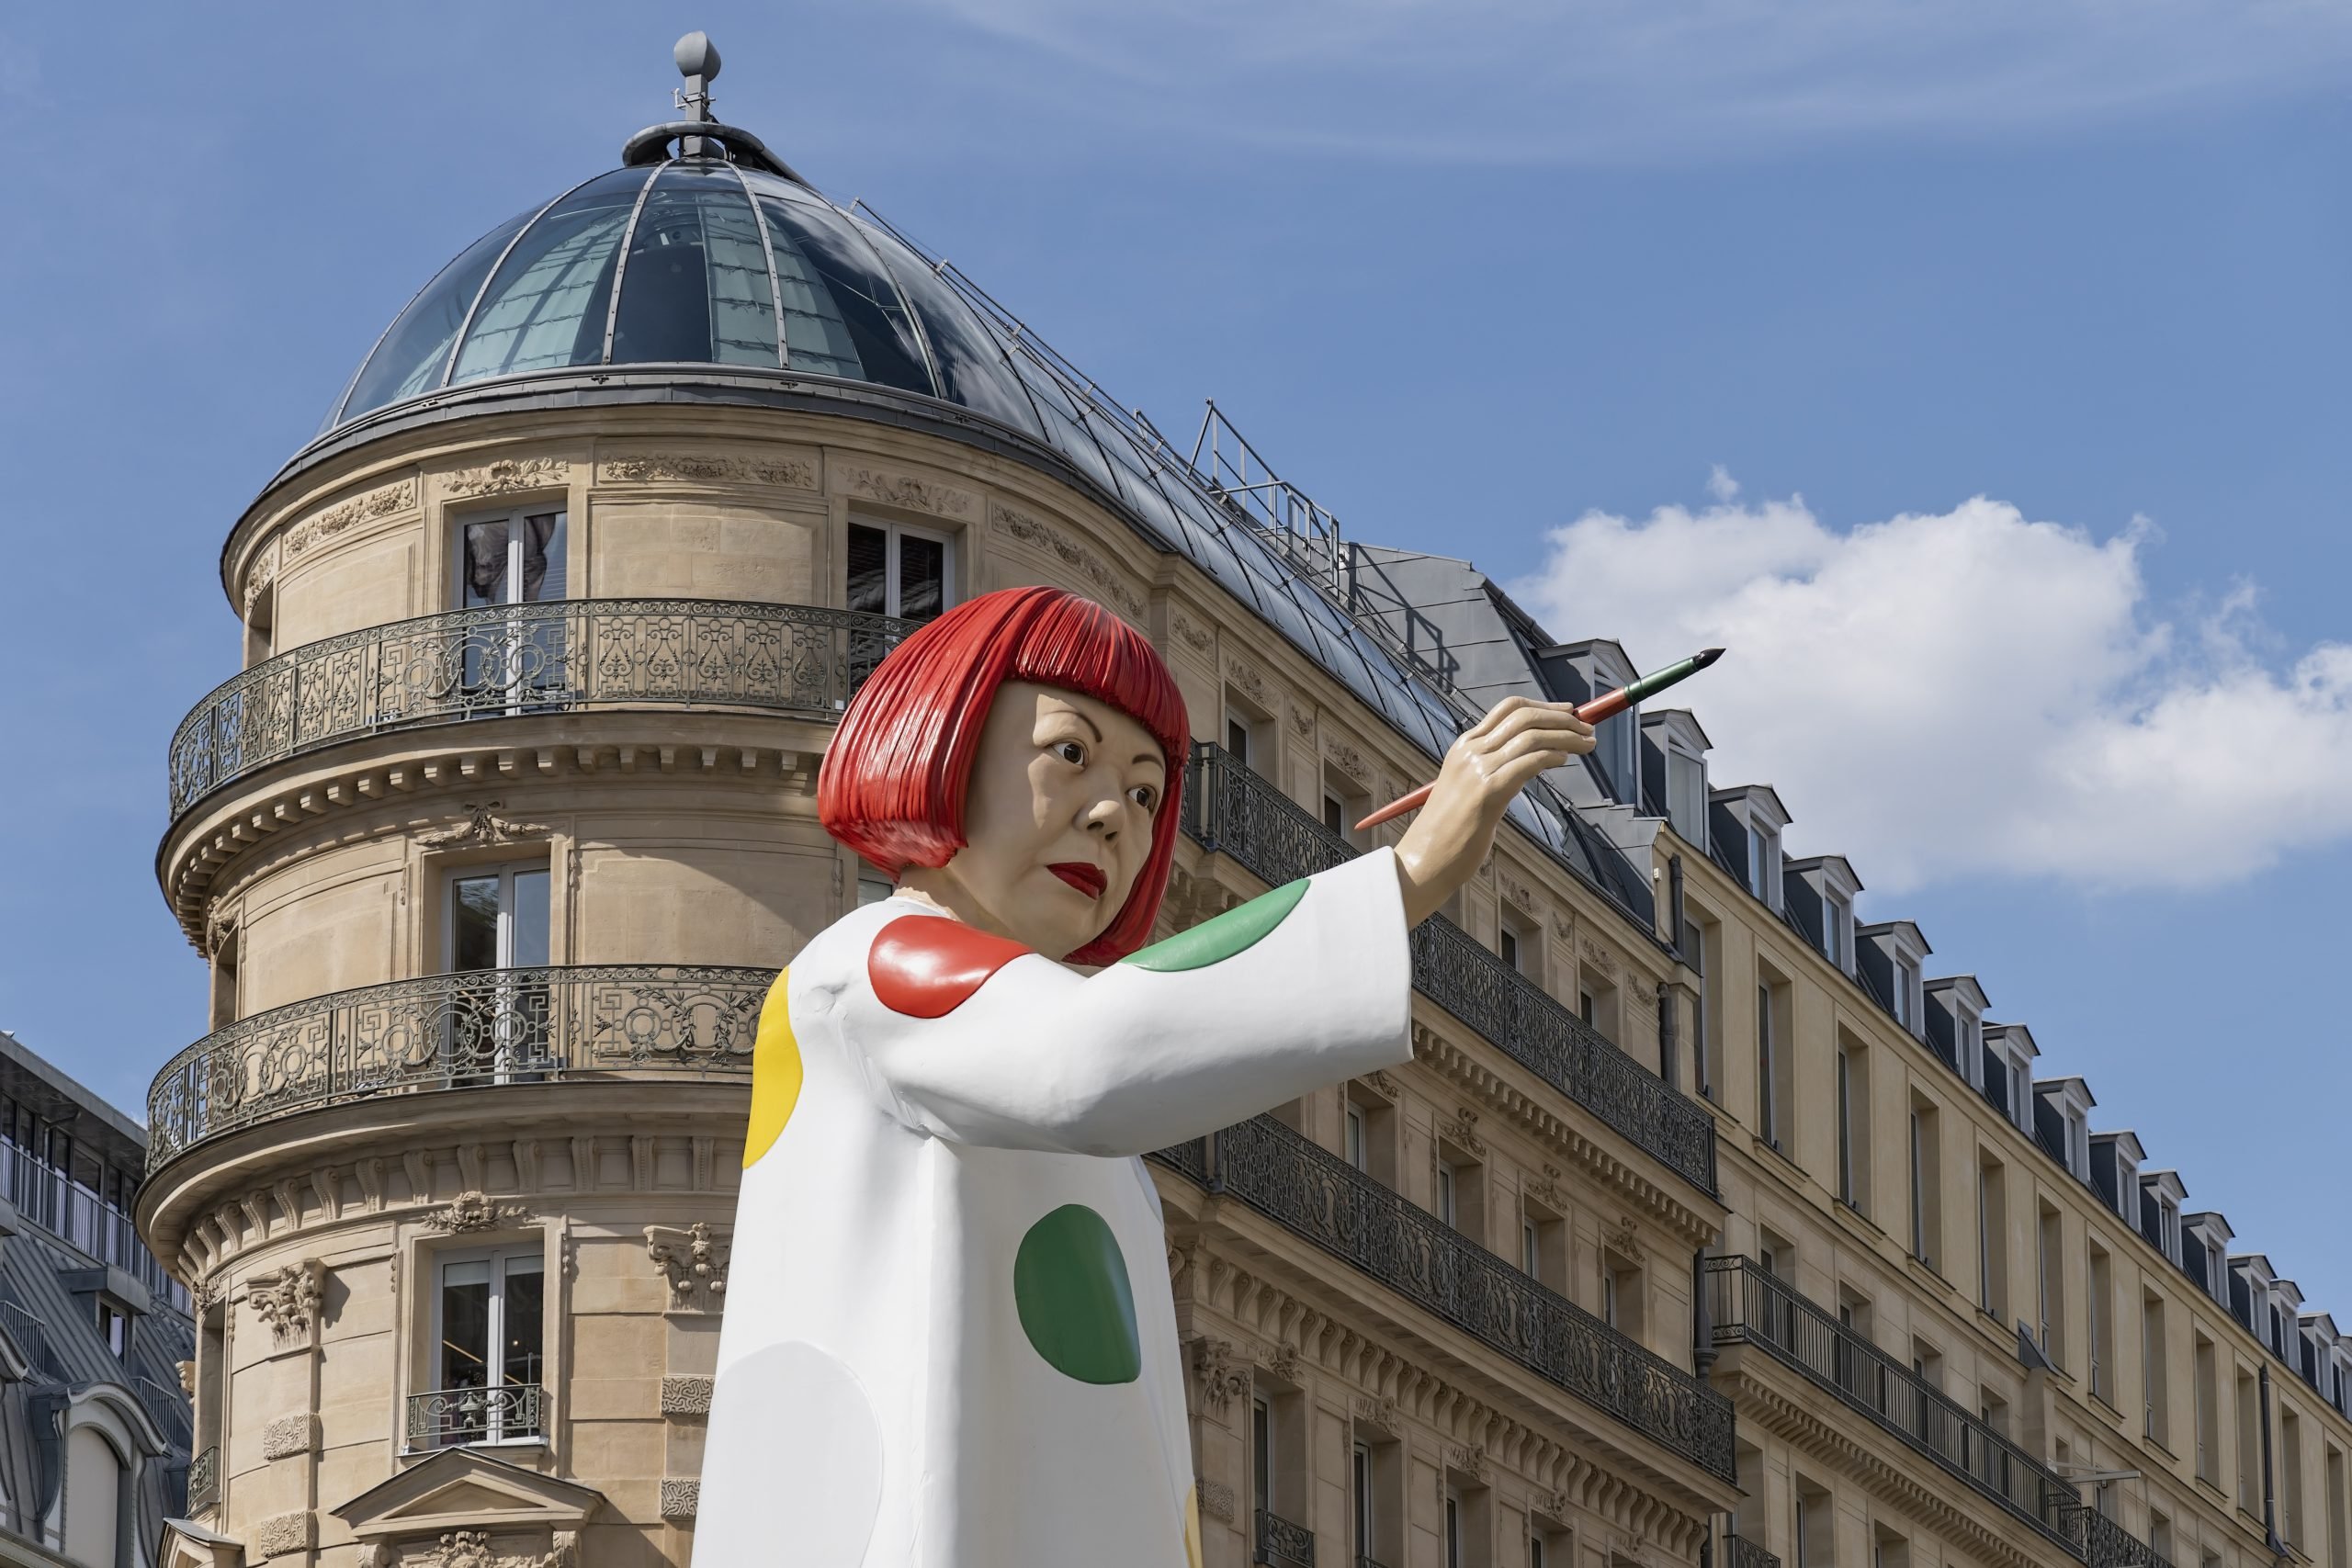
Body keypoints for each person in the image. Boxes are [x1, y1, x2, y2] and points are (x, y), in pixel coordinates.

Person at [695, 585, 1594, 1567]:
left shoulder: (1005, 1024)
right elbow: (1091, 1058)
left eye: (1145, 794)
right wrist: (1407, 877)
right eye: (1069, 754)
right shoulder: (873, 962)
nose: (1111, 816)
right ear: (940, 738)